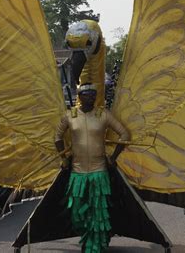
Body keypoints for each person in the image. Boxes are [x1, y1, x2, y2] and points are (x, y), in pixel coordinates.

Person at [55, 83, 130, 253]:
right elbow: (57, 137)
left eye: (93, 94)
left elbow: (125, 134)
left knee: (98, 212)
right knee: (77, 213)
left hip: (99, 171)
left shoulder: (103, 114)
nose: (91, 97)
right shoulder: (69, 116)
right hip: (77, 173)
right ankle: (86, 236)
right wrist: (63, 158)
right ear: (79, 97)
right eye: (87, 94)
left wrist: (113, 157)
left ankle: (95, 246)